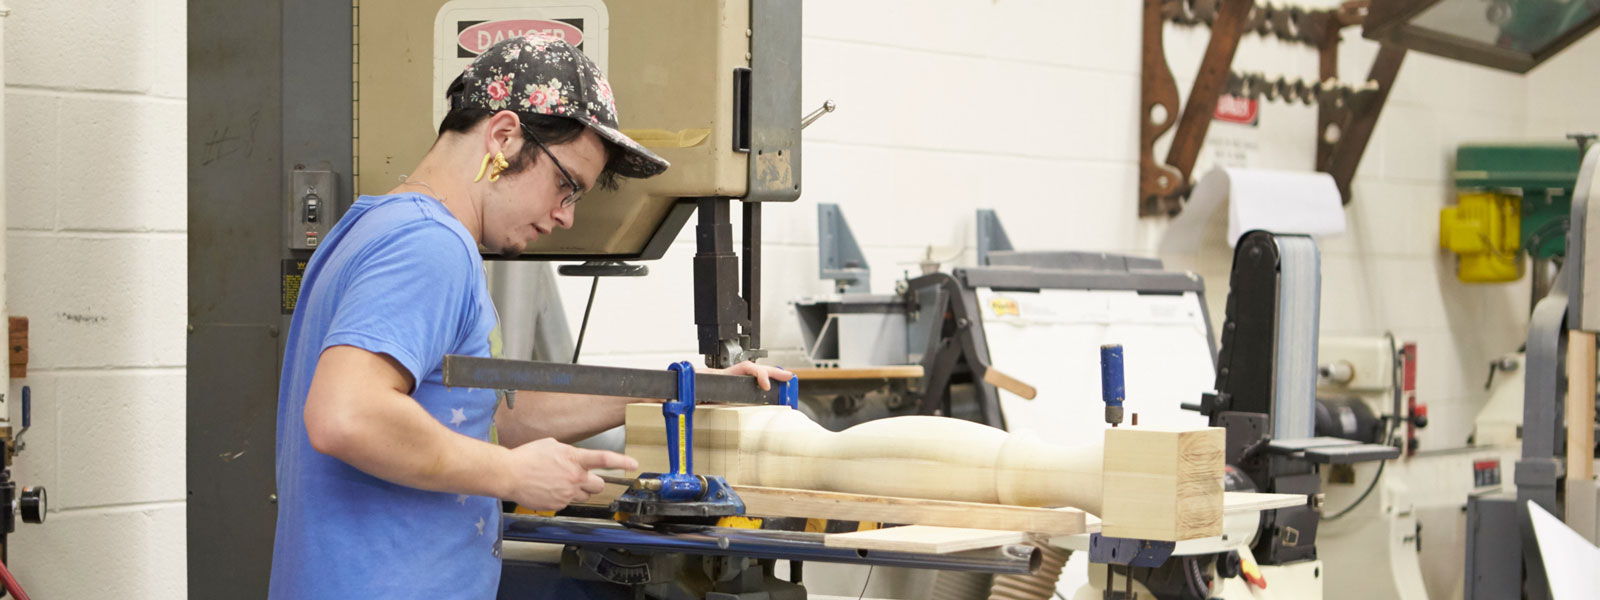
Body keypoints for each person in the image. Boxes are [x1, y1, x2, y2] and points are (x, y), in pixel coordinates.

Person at [268, 33, 791, 599]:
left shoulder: (369, 226)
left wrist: (680, 386)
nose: (566, 217)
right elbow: (346, 415)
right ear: (503, 136)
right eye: (566, 185)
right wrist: (512, 474)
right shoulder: (429, 245)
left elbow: (486, 422)